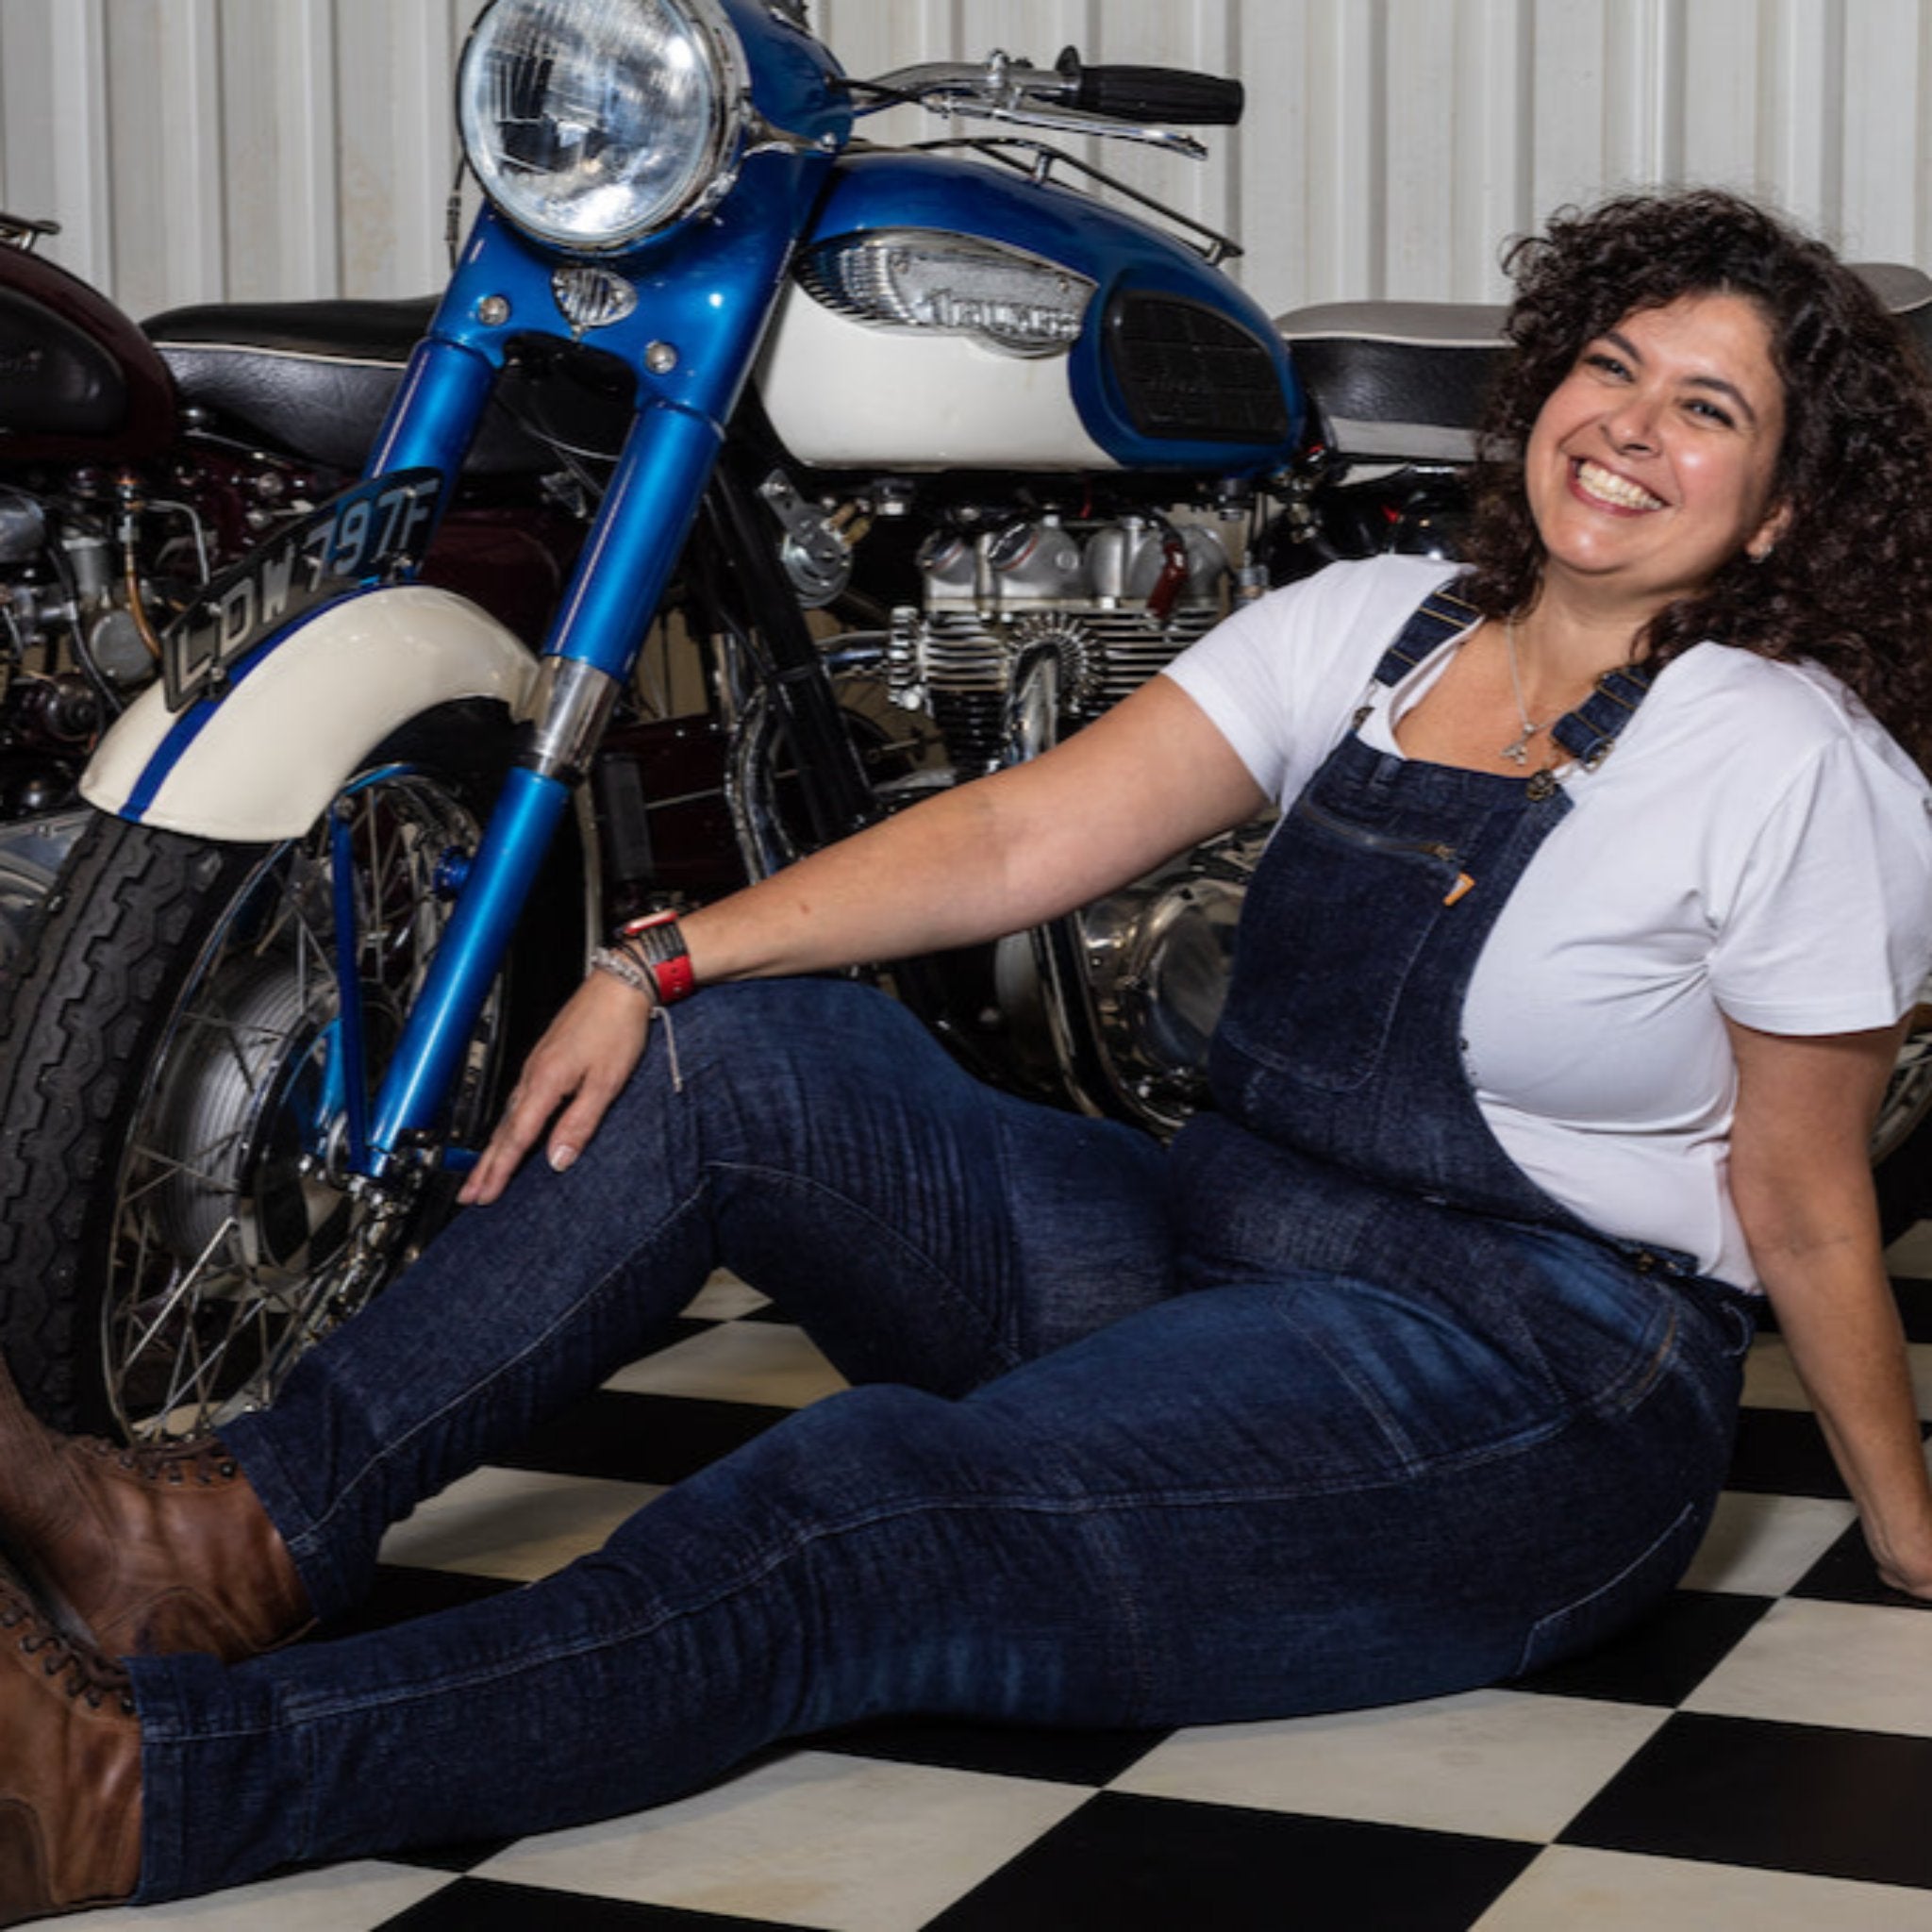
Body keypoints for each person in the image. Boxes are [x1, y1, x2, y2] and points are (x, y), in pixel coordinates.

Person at [4, 185, 1932, 1927]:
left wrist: (1909, 1536)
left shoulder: (1779, 758)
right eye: (1611, 367)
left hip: (1520, 1389)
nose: (1628, 426)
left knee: (866, 1503)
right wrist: (662, 958)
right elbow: (1019, 837)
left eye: (1707, 408)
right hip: (1208, 1251)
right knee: (737, 1053)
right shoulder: (1373, 627)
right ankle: (218, 1534)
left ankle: (148, 1788)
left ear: (1770, 509)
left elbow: (1797, 1189)